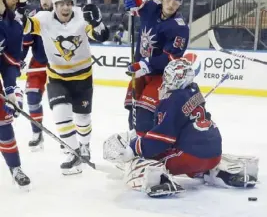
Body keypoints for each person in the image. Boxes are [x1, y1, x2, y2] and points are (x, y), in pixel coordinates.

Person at [103, 59, 258, 197]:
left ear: (178, 78)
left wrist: (134, 148)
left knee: (143, 159)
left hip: (191, 156)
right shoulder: (194, 90)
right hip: (214, 154)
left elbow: (162, 140)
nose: (166, 80)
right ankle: (216, 172)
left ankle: (159, 180)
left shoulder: (172, 100)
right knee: (185, 145)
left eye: (169, 77)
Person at [23, 0, 109, 175]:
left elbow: (101, 36)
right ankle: (73, 152)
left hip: (83, 77)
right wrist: (16, 9)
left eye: (68, 3)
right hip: (57, 77)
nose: (65, 7)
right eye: (61, 4)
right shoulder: (43, 18)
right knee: (60, 114)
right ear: (54, 5)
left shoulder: (81, 15)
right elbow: (24, 26)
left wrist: (98, 22)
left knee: (82, 118)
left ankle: (85, 146)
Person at [124, 0, 190, 136]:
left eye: (176, 1)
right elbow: (136, 3)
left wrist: (145, 64)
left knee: (144, 115)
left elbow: (171, 58)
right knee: (132, 112)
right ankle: (134, 146)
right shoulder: (151, 8)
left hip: (161, 77)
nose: (171, 4)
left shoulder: (180, 28)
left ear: (180, 3)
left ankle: (146, 150)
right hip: (140, 73)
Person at [0, 0, 32, 188]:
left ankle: (15, 168)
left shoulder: (14, 26)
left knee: (3, 122)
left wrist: (12, 90)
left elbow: (9, 61)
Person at [22, 0, 54, 151]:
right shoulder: (34, 17)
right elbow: (26, 43)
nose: (44, 1)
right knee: (32, 97)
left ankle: (72, 138)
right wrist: (19, 59)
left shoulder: (62, 15)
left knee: (64, 103)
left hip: (59, 65)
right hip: (39, 63)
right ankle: (37, 133)